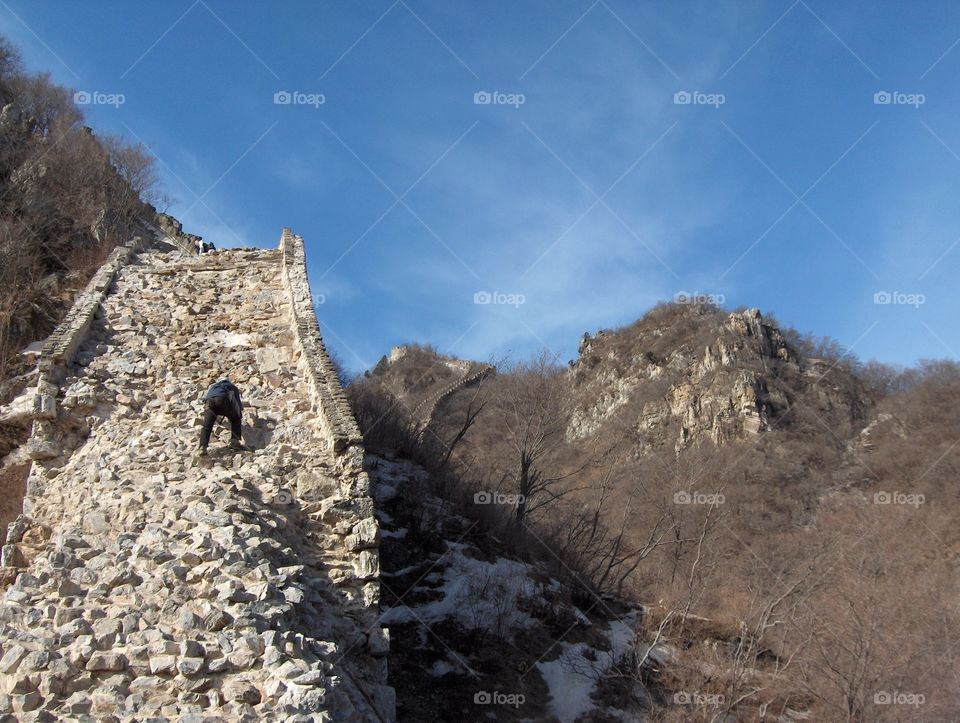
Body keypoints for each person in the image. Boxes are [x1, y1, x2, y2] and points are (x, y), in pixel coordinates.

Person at [198, 378, 244, 454]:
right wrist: (239, 414)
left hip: (209, 403)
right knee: (236, 419)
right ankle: (234, 442)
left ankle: (202, 447)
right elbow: (237, 403)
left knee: (207, 425)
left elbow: (208, 397)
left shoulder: (213, 386)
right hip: (223, 400)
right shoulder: (231, 386)